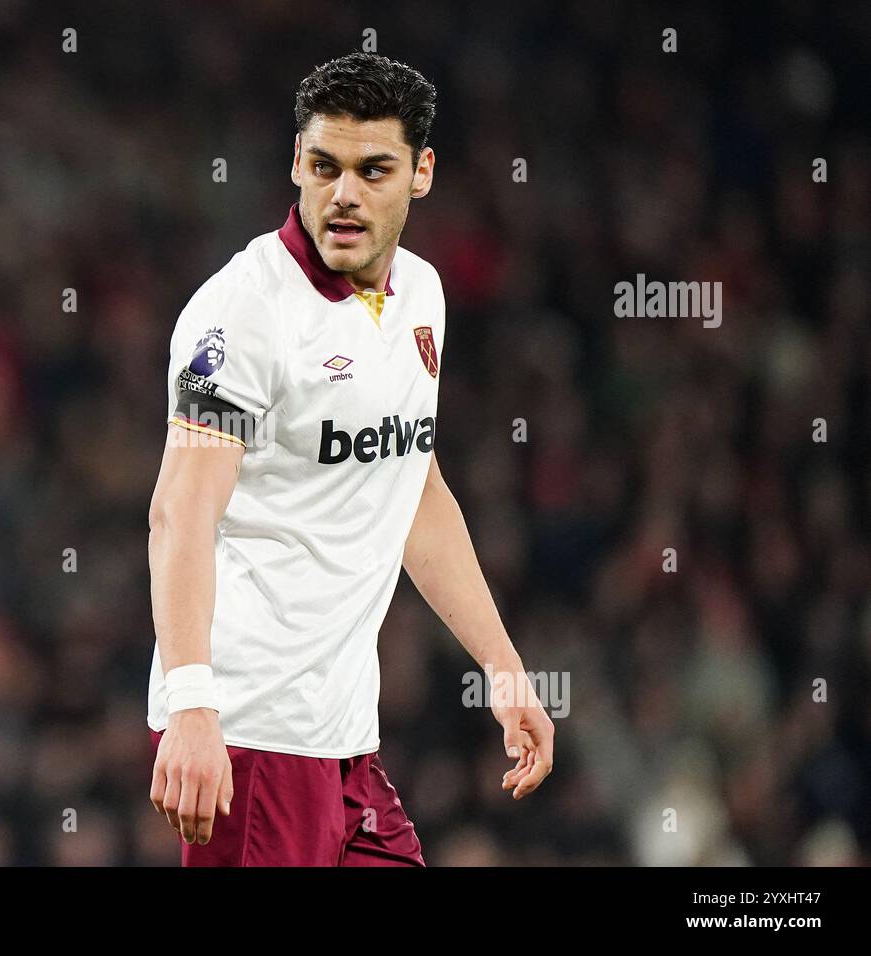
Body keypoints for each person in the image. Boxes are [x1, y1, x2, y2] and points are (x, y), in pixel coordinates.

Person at [146, 51, 554, 866]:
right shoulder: (238, 316)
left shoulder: (423, 296)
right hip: (251, 734)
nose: (344, 194)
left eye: (374, 171)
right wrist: (191, 703)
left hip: (342, 736)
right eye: (325, 166)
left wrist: (503, 666)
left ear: (421, 173)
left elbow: (414, 486)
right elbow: (179, 508)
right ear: (297, 161)